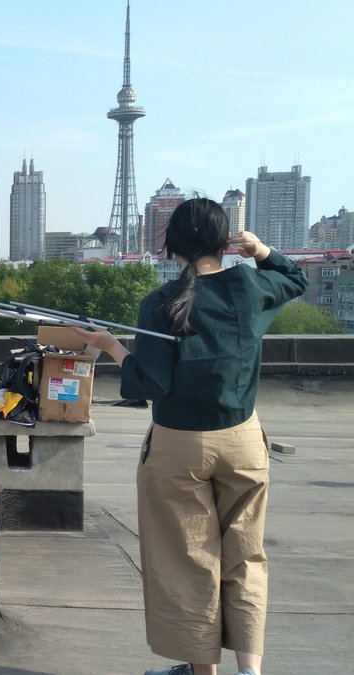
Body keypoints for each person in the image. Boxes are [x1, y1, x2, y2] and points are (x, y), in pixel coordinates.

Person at [69, 197, 307, 675]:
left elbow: (148, 384)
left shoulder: (160, 304)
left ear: (171, 246)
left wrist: (110, 345)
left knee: (190, 558)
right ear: (225, 242)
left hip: (178, 447)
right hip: (243, 438)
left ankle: (204, 671)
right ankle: (250, 671)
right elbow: (296, 279)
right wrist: (261, 250)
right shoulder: (249, 285)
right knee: (246, 556)